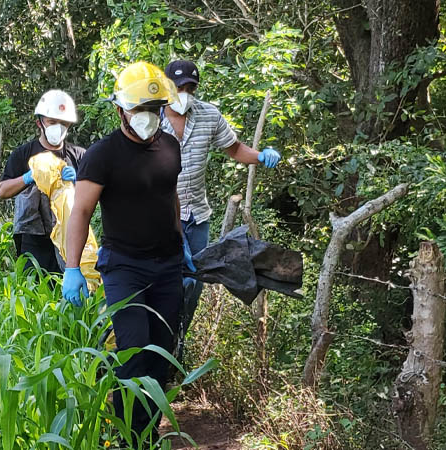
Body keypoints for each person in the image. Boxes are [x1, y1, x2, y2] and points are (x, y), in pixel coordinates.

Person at [61, 61, 194, 446]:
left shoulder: (170, 146)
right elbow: (80, 212)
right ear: (120, 110)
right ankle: (126, 437)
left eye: (155, 109)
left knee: (161, 356)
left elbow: (170, 195)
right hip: (125, 267)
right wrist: (72, 268)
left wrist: (181, 241)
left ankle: (147, 435)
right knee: (134, 352)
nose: (148, 116)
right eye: (139, 109)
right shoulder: (103, 155)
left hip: (168, 266)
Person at [162, 59, 281, 338]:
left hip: (196, 215)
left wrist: (261, 156)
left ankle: (179, 342)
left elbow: (234, 148)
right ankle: (159, 341)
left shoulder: (208, 115)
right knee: (167, 280)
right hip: (161, 215)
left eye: (190, 88)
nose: (184, 94)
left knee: (194, 283)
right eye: (179, 88)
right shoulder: (149, 119)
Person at [0, 90, 84, 273]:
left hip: (70, 236)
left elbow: (98, 192)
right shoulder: (23, 154)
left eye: (63, 123)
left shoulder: (78, 155)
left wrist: (79, 181)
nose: (58, 127)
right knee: (34, 285)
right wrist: (28, 177)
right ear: (40, 123)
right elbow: (3, 191)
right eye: (52, 122)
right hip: (33, 238)